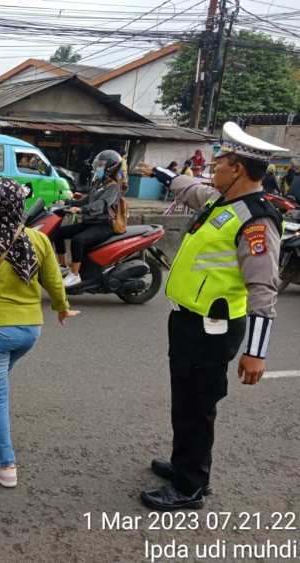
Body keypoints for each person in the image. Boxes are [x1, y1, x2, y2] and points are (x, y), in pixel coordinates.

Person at [135, 121, 284, 511]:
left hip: (212, 331)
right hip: (189, 322)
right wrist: (158, 173)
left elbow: (264, 288)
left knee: (197, 407)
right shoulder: (223, 201)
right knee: (183, 401)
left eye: (218, 163)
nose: (210, 170)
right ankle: (185, 464)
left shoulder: (256, 220)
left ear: (237, 169)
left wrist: (256, 352)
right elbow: (189, 188)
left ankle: (190, 486)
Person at [0, 178, 76, 488]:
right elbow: (53, 280)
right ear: (19, 208)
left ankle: (6, 463)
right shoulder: (39, 240)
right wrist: (62, 308)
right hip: (30, 330)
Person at [51, 149, 122, 287]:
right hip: (90, 222)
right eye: (97, 164)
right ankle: (62, 265)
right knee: (58, 233)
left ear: (110, 167)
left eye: (101, 165)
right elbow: (86, 201)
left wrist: (82, 210)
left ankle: (74, 275)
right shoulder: (99, 183)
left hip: (103, 225)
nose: (97, 167)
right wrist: (66, 203)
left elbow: (100, 205)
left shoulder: (113, 187)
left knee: (78, 240)